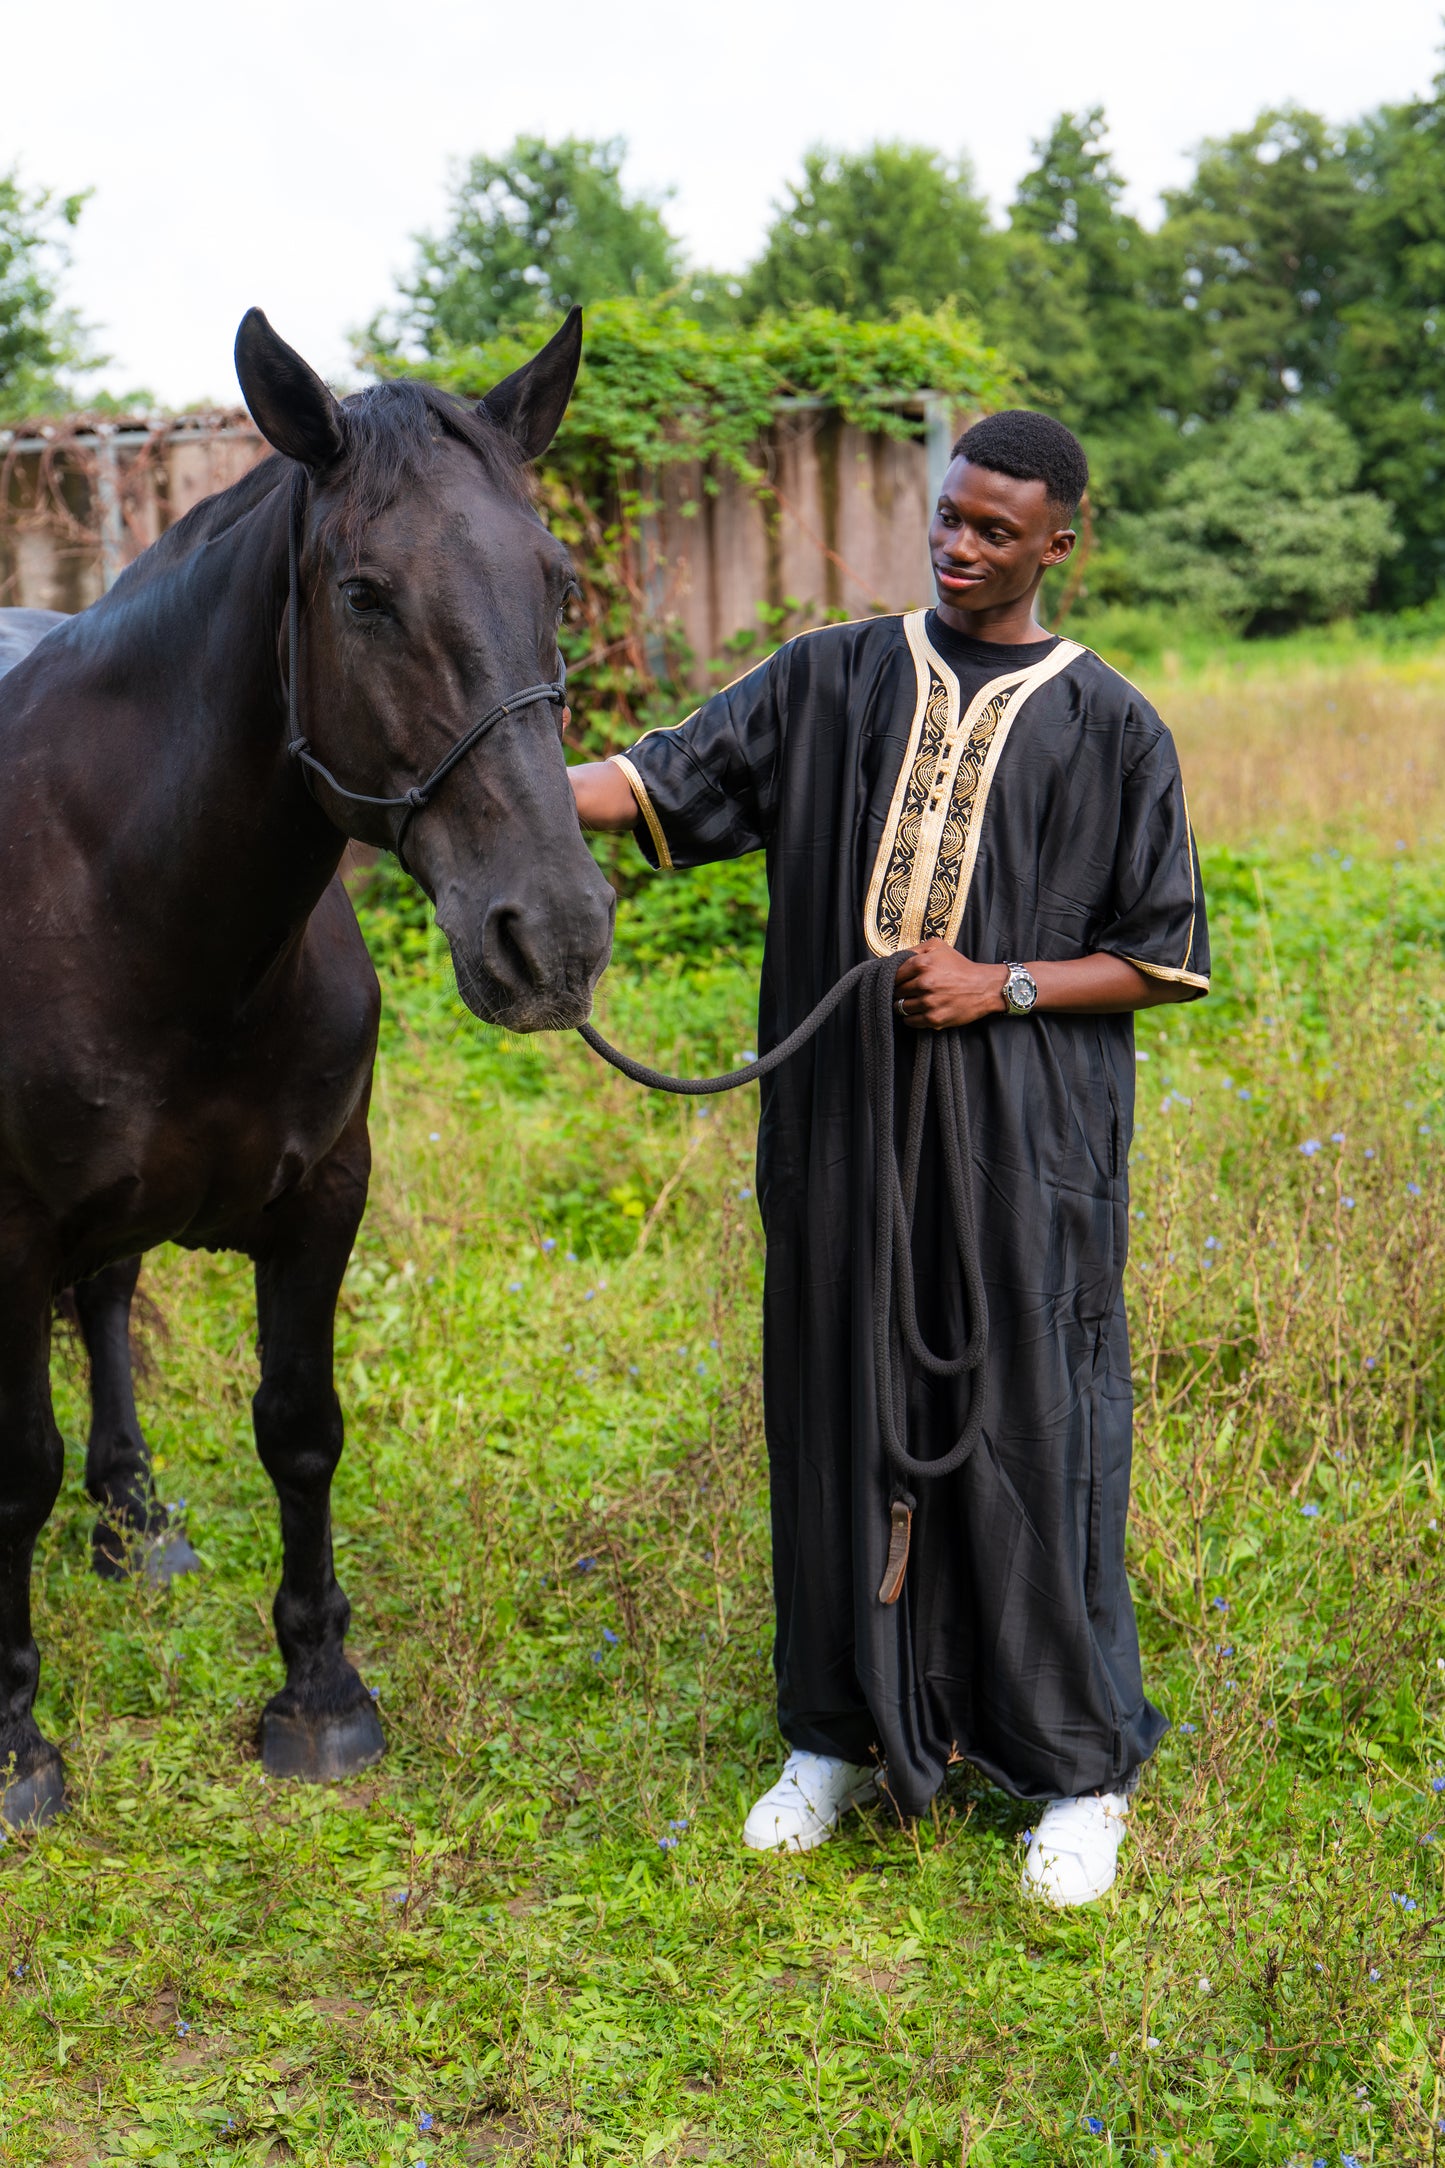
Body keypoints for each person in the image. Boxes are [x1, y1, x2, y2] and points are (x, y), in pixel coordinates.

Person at [569, 412, 1208, 1907]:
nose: (959, 543)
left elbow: (1161, 956)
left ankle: (1072, 1769)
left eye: (996, 528)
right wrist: (473, 775)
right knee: (833, 1408)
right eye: (948, 515)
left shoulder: (1110, 723)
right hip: (841, 1138)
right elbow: (654, 781)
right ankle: (837, 1734)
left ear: (1063, 540)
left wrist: (1007, 983)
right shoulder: (831, 679)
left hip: (1024, 1152)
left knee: (1029, 1429)